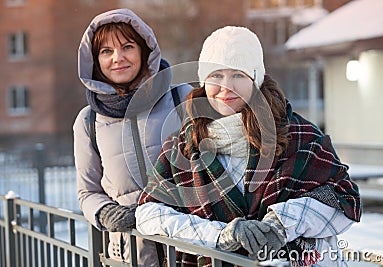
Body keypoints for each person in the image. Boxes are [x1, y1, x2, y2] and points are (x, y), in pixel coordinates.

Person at [135, 26, 361, 266]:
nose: (226, 87)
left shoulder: (298, 135)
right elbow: (148, 213)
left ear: (256, 79)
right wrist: (220, 236)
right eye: (216, 75)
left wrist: (282, 224)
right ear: (203, 81)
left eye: (238, 75)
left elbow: (342, 200)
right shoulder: (181, 146)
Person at [73, 8, 191, 266]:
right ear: (95, 60)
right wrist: (105, 212)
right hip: (131, 255)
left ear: (144, 51)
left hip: (190, 247)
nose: (118, 58)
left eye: (127, 46)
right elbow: (88, 191)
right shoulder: (88, 121)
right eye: (106, 51)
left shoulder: (181, 98)